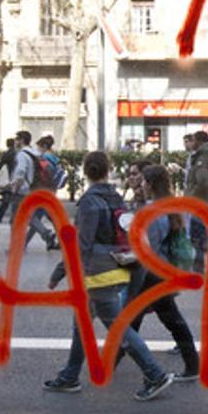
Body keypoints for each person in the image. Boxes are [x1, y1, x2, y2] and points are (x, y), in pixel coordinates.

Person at [42, 151, 177, 401]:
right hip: (117, 266)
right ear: (107, 170)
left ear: (86, 172)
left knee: (118, 328)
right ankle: (70, 375)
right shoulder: (117, 198)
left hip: (97, 272)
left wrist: (60, 272)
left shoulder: (89, 203)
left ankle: (155, 374)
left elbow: (80, 245)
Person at [120, 164, 200, 380]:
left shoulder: (154, 211)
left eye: (145, 181)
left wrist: (127, 259)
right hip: (161, 272)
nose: (142, 184)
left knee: (136, 318)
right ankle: (193, 365)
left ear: (151, 184)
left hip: (152, 274)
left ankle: (112, 361)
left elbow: (149, 248)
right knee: (158, 319)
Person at [9, 130, 59, 251]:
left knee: (17, 219)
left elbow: (21, 171)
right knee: (28, 216)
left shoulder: (22, 154)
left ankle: (43, 235)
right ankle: (42, 235)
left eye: (17, 139)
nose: (15, 142)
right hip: (32, 189)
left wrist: (14, 186)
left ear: (22, 140)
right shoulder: (33, 153)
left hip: (21, 190)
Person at [184, 130, 208, 273]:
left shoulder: (202, 159)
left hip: (200, 203)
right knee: (203, 235)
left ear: (199, 141)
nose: (190, 143)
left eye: (192, 140)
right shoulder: (207, 157)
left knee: (197, 237)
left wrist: (191, 196)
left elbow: (202, 181)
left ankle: (198, 267)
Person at [0, 138, 18, 223]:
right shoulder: (17, 153)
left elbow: (1, 163)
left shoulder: (8, 153)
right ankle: (7, 217)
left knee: (7, 200)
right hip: (15, 178)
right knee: (12, 199)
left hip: (9, 179)